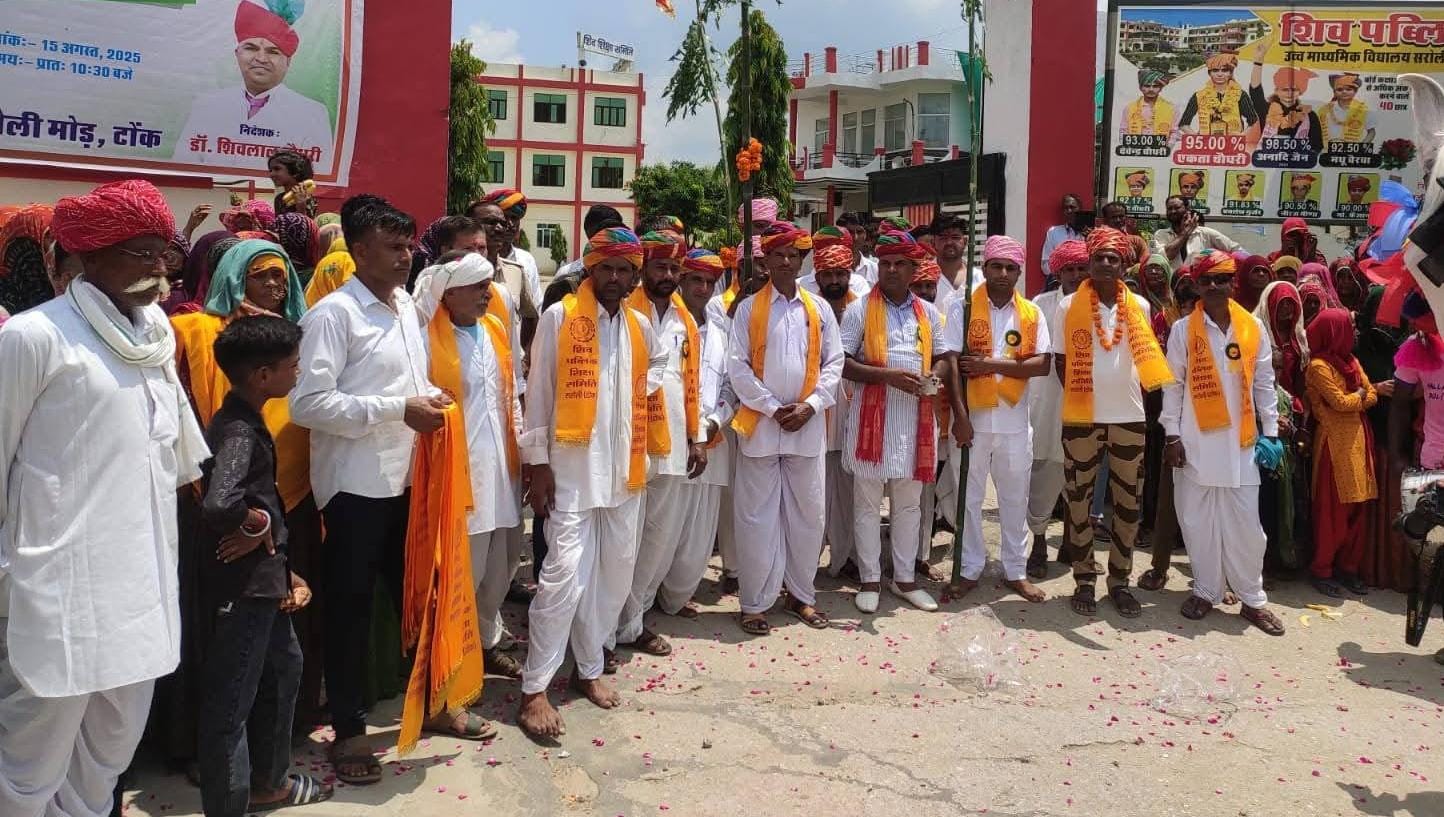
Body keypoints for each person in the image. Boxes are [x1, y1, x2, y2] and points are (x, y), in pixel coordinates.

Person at [0, 180, 210, 817]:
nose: (158, 268)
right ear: (87, 256)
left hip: (141, 584)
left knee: (109, 751)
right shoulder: (33, 337)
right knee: (29, 761)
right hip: (56, 586)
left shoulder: (158, 335)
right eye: (138, 253)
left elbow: (174, 456)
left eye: (162, 252)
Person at [289, 198, 466, 784]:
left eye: (408, 246)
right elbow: (308, 404)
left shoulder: (406, 308)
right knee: (352, 610)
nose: (406, 257)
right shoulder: (333, 316)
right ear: (359, 250)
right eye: (393, 247)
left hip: (413, 479)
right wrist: (398, 409)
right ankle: (350, 730)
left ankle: (431, 703)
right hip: (357, 489)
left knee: (421, 597)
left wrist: (429, 401)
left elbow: (410, 383)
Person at [518, 228, 663, 737]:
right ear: (589, 269)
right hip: (571, 473)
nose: (615, 278)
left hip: (624, 473)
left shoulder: (640, 325)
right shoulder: (560, 317)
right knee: (562, 579)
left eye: (625, 270)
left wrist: (643, 393)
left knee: (614, 577)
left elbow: (657, 369)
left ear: (635, 276)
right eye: (606, 268)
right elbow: (538, 393)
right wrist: (537, 465)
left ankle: (589, 669)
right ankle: (534, 689)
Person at [197, 315, 331, 815]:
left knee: (285, 667)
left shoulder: (246, 419)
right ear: (262, 376)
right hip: (244, 590)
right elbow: (220, 503)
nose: (298, 372)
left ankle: (270, 781)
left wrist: (277, 555)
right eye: (292, 366)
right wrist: (255, 523)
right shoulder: (238, 431)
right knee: (231, 703)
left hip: (265, 580)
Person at [410, 252, 526, 681]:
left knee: (503, 567)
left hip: (503, 468)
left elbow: (510, 395)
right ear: (449, 293)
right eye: (477, 286)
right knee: (464, 572)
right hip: (462, 474)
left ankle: (484, 639)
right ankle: (454, 660)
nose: (487, 293)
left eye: (487, 285)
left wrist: (524, 453)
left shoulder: (494, 328)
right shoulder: (427, 339)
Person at [1160, 252, 1286, 634]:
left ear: (1233, 283)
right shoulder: (1182, 330)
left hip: (1241, 445)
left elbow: (1264, 384)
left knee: (1246, 526)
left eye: (1221, 279)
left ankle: (1253, 600)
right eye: (1206, 280)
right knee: (1196, 520)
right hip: (1195, 442)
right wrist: (1172, 434)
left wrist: (1271, 434)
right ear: (1196, 286)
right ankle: (1205, 590)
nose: (1214, 286)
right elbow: (1173, 384)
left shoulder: (1253, 328)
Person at [727, 223, 844, 635]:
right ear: (765, 260)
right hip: (762, 426)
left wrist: (811, 405)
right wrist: (773, 408)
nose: (786, 261)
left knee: (808, 516)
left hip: (807, 428)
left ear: (802, 260)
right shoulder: (748, 308)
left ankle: (801, 595)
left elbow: (834, 362)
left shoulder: (819, 309)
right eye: (778, 254)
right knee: (757, 519)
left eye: (793, 255)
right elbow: (737, 366)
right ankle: (755, 603)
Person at [1057, 227, 1175, 617]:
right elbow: (1060, 361)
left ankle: (1120, 581)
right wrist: (1081, 400)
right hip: (1081, 419)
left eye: (1114, 258)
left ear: (1124, 265)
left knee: (1127, 505)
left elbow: (1148, 362)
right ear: (1089, 263)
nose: (1106, 263)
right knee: (1079, 501)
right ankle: (1084, 579)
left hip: (1130, 417)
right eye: (1099, 258)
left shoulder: (1139, 305)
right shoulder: (1068, 305)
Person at [836, 233, 947, 614]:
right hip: (871, 421)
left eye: (900, 264)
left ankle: (904, 579)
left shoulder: (928, 313)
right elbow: (842, 362)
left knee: (909, 505)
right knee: (867, 503)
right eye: (885, 263)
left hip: (915, 420)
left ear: (914, 270)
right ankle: (869, 579)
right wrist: (888, 377)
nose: (892, 270)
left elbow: (944, 356)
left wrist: (934, 375)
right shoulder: (859, 310)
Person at [611, 230, 705, 659]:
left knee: (659, 540)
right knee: (623, 540)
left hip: (673, 446)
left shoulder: (685, 321)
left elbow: (691, 384)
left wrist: (697, 437)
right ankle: (608, 626)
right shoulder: (625, 313)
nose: (667, 275)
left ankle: (633, 620)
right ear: (643, 269)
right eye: (659, 267)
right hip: (629, 443)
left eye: (673, 268)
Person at [947, 235, 1051, 602]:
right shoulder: (961, 307)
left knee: (1014, 497)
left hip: (1014, 422)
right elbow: (951, 364)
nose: (1003, 273)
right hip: (971, 421)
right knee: (968, 497)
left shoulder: (1032, 313)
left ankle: (1015, 570)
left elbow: (1042, 364)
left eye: (1010, 268)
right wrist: (960, 417)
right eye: (996, 266)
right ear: (985, 268)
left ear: (1019, 272)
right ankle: (969, 567)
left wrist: (988, 364)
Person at [655, 249, 735, 616]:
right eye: (695, 280)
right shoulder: (664, 326)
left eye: (709, 282)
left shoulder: (721, 333)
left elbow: (730, 387)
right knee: (663, 528)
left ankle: (676, 596)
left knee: (699, 533)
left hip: (711, 443)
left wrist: (712, 423)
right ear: (682, 282)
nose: (702, 288)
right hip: (670, 441)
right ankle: (645, 599)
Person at [173, 1, 334, 172]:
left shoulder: (312, 114)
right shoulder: (206, 106)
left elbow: (316, 177)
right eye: (251, 48)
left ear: (288, 61)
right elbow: (182, 169)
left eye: (273, 52)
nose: (261, 59)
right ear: (237, 54)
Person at [1305, 308, 1377, 598]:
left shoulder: (1351, 361)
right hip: (1333, 445)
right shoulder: (1318, 366)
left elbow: (1372, 394)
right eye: (1350, 326)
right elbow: (1340, 403)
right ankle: (1322, 569)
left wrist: (1357, 398)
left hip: (1358, 440)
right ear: (1335, 332)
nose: (1355, 331)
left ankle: (1348, 568)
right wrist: (1359, 396)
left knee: (1358, 508)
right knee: (1331, 512)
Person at [1027, 239, 1087, 577]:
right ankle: (1038, 542)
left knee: (1079, 473)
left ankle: (1070, 542)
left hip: (1087, 402)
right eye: (1069, 269)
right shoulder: (1041, 304)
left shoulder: (1099, 305)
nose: (1076, 275)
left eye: (1081, 269)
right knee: (1044, 468)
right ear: (1058, 272)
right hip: (1047, 400)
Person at [810, 245, 862, 580]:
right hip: (815, 412)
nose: (834, 280)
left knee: (851, 495)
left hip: (853, 412)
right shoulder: (807, 308)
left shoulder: (863, 310)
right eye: (827, 274)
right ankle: (805, 564)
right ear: (817, 276)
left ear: (849, 275)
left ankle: (848, 559)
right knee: (813, 497)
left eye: (840, 274)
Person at [1254, 281, 1308, 575]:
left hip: (1285, 439)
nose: (1287, 309)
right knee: (1260, 506)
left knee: (1283, 505)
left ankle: (1280, 559)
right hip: (1257, 440)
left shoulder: (1299, 339)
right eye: (1281, 303)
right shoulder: (1255, 334)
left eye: (1291, 303)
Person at [470, 189, 543, 343]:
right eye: (492, 222)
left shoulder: (521, 265)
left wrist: (523, 354)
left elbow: (532, 314)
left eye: (514, 219)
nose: (508, 225)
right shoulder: (456, 271)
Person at [1247, 50, 1323, 153]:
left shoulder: (1309, 116)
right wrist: (1258, 62)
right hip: (1267, 161)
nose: (1289, 94)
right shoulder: (1266, 109)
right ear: (1277, 91)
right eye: (1285, 89)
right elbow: (1255, 90)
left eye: (1294, 90)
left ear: (1300, 92)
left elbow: (1317, 147)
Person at [1151, 195, 1242, 270]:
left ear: (1187, 209)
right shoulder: (1160, 234)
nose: (1173, 211)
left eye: (1177, 207)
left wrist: (1222, 268)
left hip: (1200, 285)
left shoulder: (1206, 233)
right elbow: (1166, 256)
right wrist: (1185, 233)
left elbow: (1236, 250)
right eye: (1169, 208)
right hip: (1173, 285)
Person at [1179, 50, 1257, 135]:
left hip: (1233, 142)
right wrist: (1199, 139)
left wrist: (1241, 136)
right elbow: (1183, 124)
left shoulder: (1240, 94)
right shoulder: (1199, 96)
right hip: (1206, 142)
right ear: (1209, 73)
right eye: (1215, 70)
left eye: (1224, 70)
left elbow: (1253, 121)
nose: (1220, 74)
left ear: (1230, 73)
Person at [1320, 73, 1377, 145]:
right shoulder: (1324, 110)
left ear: (1355, 91)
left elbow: (1371, 132)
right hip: (1327, 150)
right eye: (1340, 89)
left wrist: (1361, 146)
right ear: (1334, 92)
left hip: (1353, 150)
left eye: (1348, 89)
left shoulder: (1363, 110)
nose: (1344, 92)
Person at [1121, 69, 1176, 141]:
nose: (1151, 89)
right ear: (1140, 88)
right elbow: (1123, 131)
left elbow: (1174, 132)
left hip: (1161, 147)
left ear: (1160, 88)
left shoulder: (1171, 108)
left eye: (1155, 86)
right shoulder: (1130, 108)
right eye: (1147, 86)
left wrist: (1167, 147)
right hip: (1134, 147)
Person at [1041, 194, 1085, 277]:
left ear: (1080, 209)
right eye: (1066, 208)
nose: (1069, 211)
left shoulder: (1091, 233)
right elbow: (1045, 265)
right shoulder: (1053, 232)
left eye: (1072, 207)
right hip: (1061, 281)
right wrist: (1064, 275)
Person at [269, 150, 317, 218]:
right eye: (270, 170)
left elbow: (307, 224)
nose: (271, 174)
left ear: (295, 172)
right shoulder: (279, 199)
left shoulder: (307, 198)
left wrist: (301, 206)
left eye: (277, 169)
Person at [837, 211, 878, 284]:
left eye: (859, 232)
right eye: (849, 232)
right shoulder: (829, 270)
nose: (855, 237)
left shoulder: (875, 269)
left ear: (865, 235)